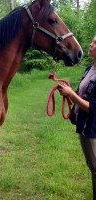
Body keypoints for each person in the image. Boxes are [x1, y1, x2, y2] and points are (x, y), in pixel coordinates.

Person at [58, 35, 96, 200]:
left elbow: (93, 108)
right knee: (93, 167)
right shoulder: (90, 69)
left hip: (93, 129)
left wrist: (71, 95)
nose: (90, 43)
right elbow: (83, 94)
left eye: (95, 42)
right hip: (84, 125)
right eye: (92, 40)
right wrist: (69, 90)